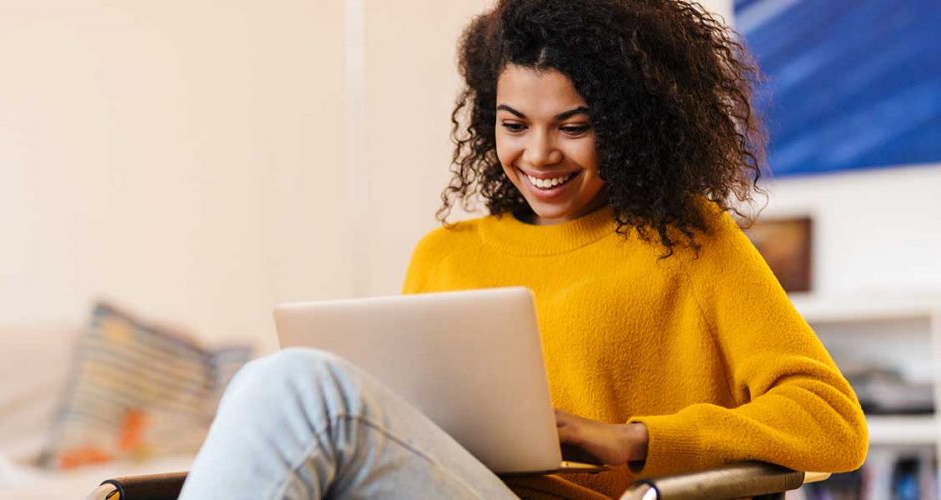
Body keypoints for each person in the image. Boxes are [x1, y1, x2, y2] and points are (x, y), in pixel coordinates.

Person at [178, 0, 868, 498]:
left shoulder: (690, 242)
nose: (538, 155)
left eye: (573, 127)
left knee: (292, 383)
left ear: (630, 126)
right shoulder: (444, 253)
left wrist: (637, 439)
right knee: (293, 393)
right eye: (514, 124)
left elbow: (834, 423)